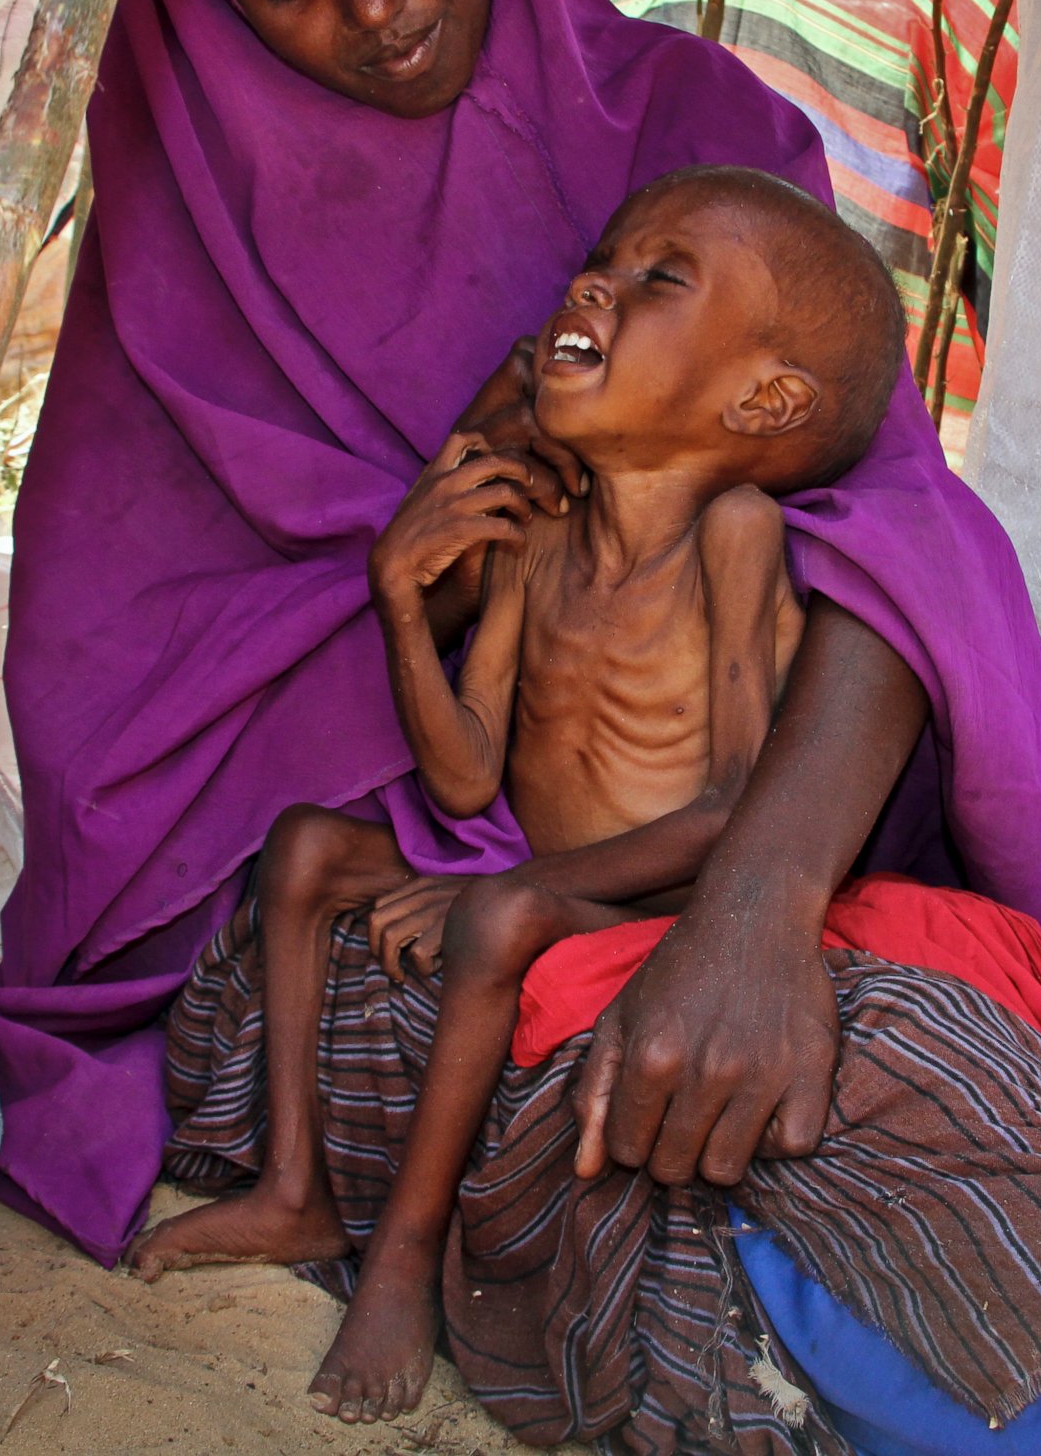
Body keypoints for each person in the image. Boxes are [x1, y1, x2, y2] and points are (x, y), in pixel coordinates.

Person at [0, 0, 1041, 1271]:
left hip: (713, 792)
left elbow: (895, 529)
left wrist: (758, 911)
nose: (374, 7)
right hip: (398, 803)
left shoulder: (688, 138)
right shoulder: (185, 258)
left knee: (930, 552)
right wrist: (431, 574)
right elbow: (131, 678)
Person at [132, 167, 903, 1419]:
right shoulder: (539, 538)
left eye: (661, 278)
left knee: (491, 920)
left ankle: (403, 1264)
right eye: (603, 258)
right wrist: (398, 596)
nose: (593, 282)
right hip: (532, 880)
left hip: (655, 913)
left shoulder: (736, 531)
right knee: (309, 848)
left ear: (764, 398)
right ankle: (291, 1186)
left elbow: (734, 809)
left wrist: (512, 885)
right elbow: (466, 771)